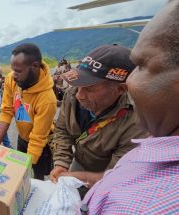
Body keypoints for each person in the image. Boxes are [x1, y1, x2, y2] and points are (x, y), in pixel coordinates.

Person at [80, 1, 179, 214]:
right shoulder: (158, 133)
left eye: (141, 66)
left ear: (118, 90)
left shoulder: (150, 205)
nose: (79, 95)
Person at [50, 44, 148, 192]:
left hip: (105, 174)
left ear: (120, 89)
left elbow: (115, 177)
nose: (79, 95)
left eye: (89, 88)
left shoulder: (136, 122)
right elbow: (62, 130)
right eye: (79, 84)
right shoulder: (73, 93)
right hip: (80, 162)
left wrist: (78, 178)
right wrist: (61, 163)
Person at [0, 43, 57, 180]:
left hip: (41, 143)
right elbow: (6, 110)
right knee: (19, 174)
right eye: (13, 70)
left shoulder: (47, 99)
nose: (13, 75)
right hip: (22, 137)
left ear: (34, 66)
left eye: (18, 71)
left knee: (37, 176)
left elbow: (37, 138)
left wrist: (24, 168)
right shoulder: (12, 79)